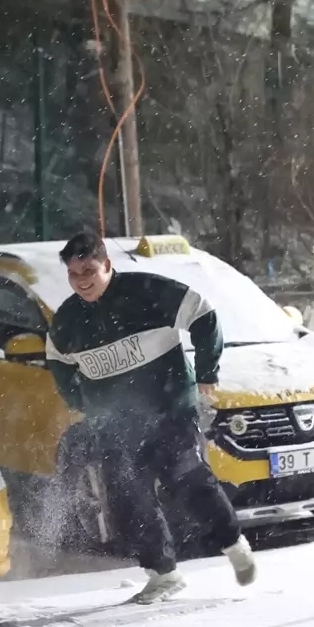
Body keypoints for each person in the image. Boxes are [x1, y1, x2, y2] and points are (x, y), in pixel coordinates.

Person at [44, 231, 257, 604]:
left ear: (107, 265)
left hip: (168, 411)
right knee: (129, 499)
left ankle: (233, 543)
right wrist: (81, 401)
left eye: (89, 270)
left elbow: (203, 314)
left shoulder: (147, 292)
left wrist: (207, 372)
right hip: (114, 425)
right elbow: (59, 365)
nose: (82, 281)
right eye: (74, 274)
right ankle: (163, 575)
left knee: (188, 481)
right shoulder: (66, 321)